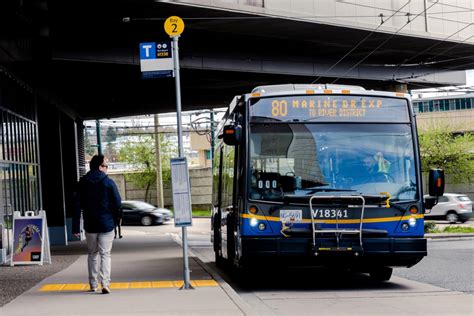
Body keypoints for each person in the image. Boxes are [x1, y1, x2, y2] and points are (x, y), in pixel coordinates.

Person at [72, 155, 121, 294]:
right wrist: (113, 216)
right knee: (105, 254)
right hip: (106, 224)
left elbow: (76, 206)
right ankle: (105, 284)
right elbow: (117, 203)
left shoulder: (82, 182)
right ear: (100, 167)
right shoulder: (108, 182)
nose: (107, 168)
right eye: (106, 166)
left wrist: (75, 226)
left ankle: (93, 284)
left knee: (92, 254)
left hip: (90, 225)